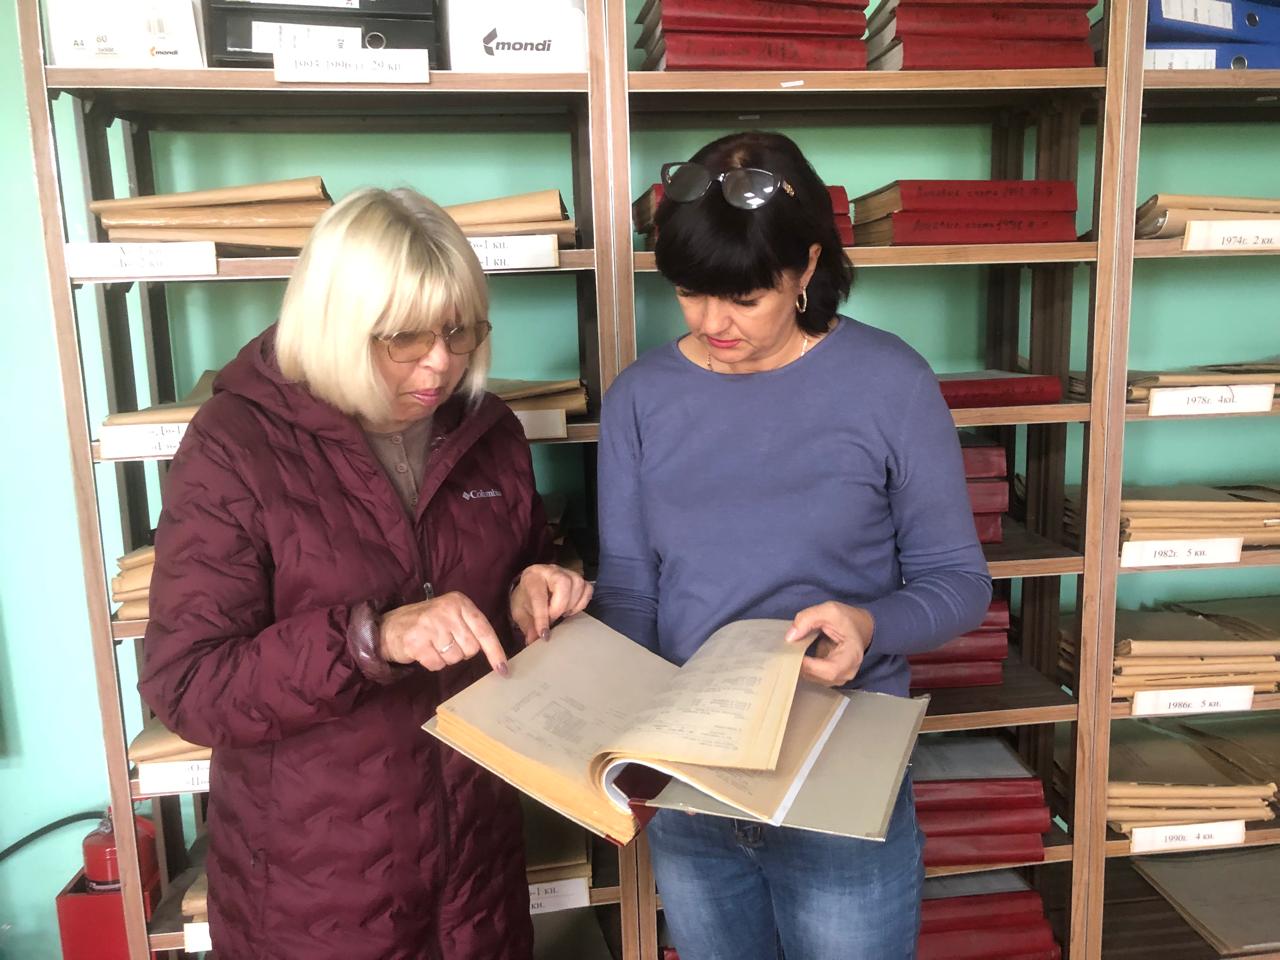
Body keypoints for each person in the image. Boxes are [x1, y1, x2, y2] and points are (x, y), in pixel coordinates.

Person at [139, 187, 591, 960]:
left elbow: (513, 568)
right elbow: (188, 685)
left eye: (461, 330)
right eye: (405, 338)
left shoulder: (490, 431)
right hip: (316, 895)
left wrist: (534, 589)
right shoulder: (235, 446)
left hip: (477, 877)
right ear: (334, 324)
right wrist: (370, 639)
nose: (441, 363)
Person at [591, 131, 993, 960]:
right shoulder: (641, 398)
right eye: (690, 293)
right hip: (693, 782)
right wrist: (602, 736)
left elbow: (958, 581)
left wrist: (870, 625)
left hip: (839, 773)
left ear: (806, 265)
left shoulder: (890, 382)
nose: (713, 323)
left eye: (744, 298)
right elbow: (631, 589)